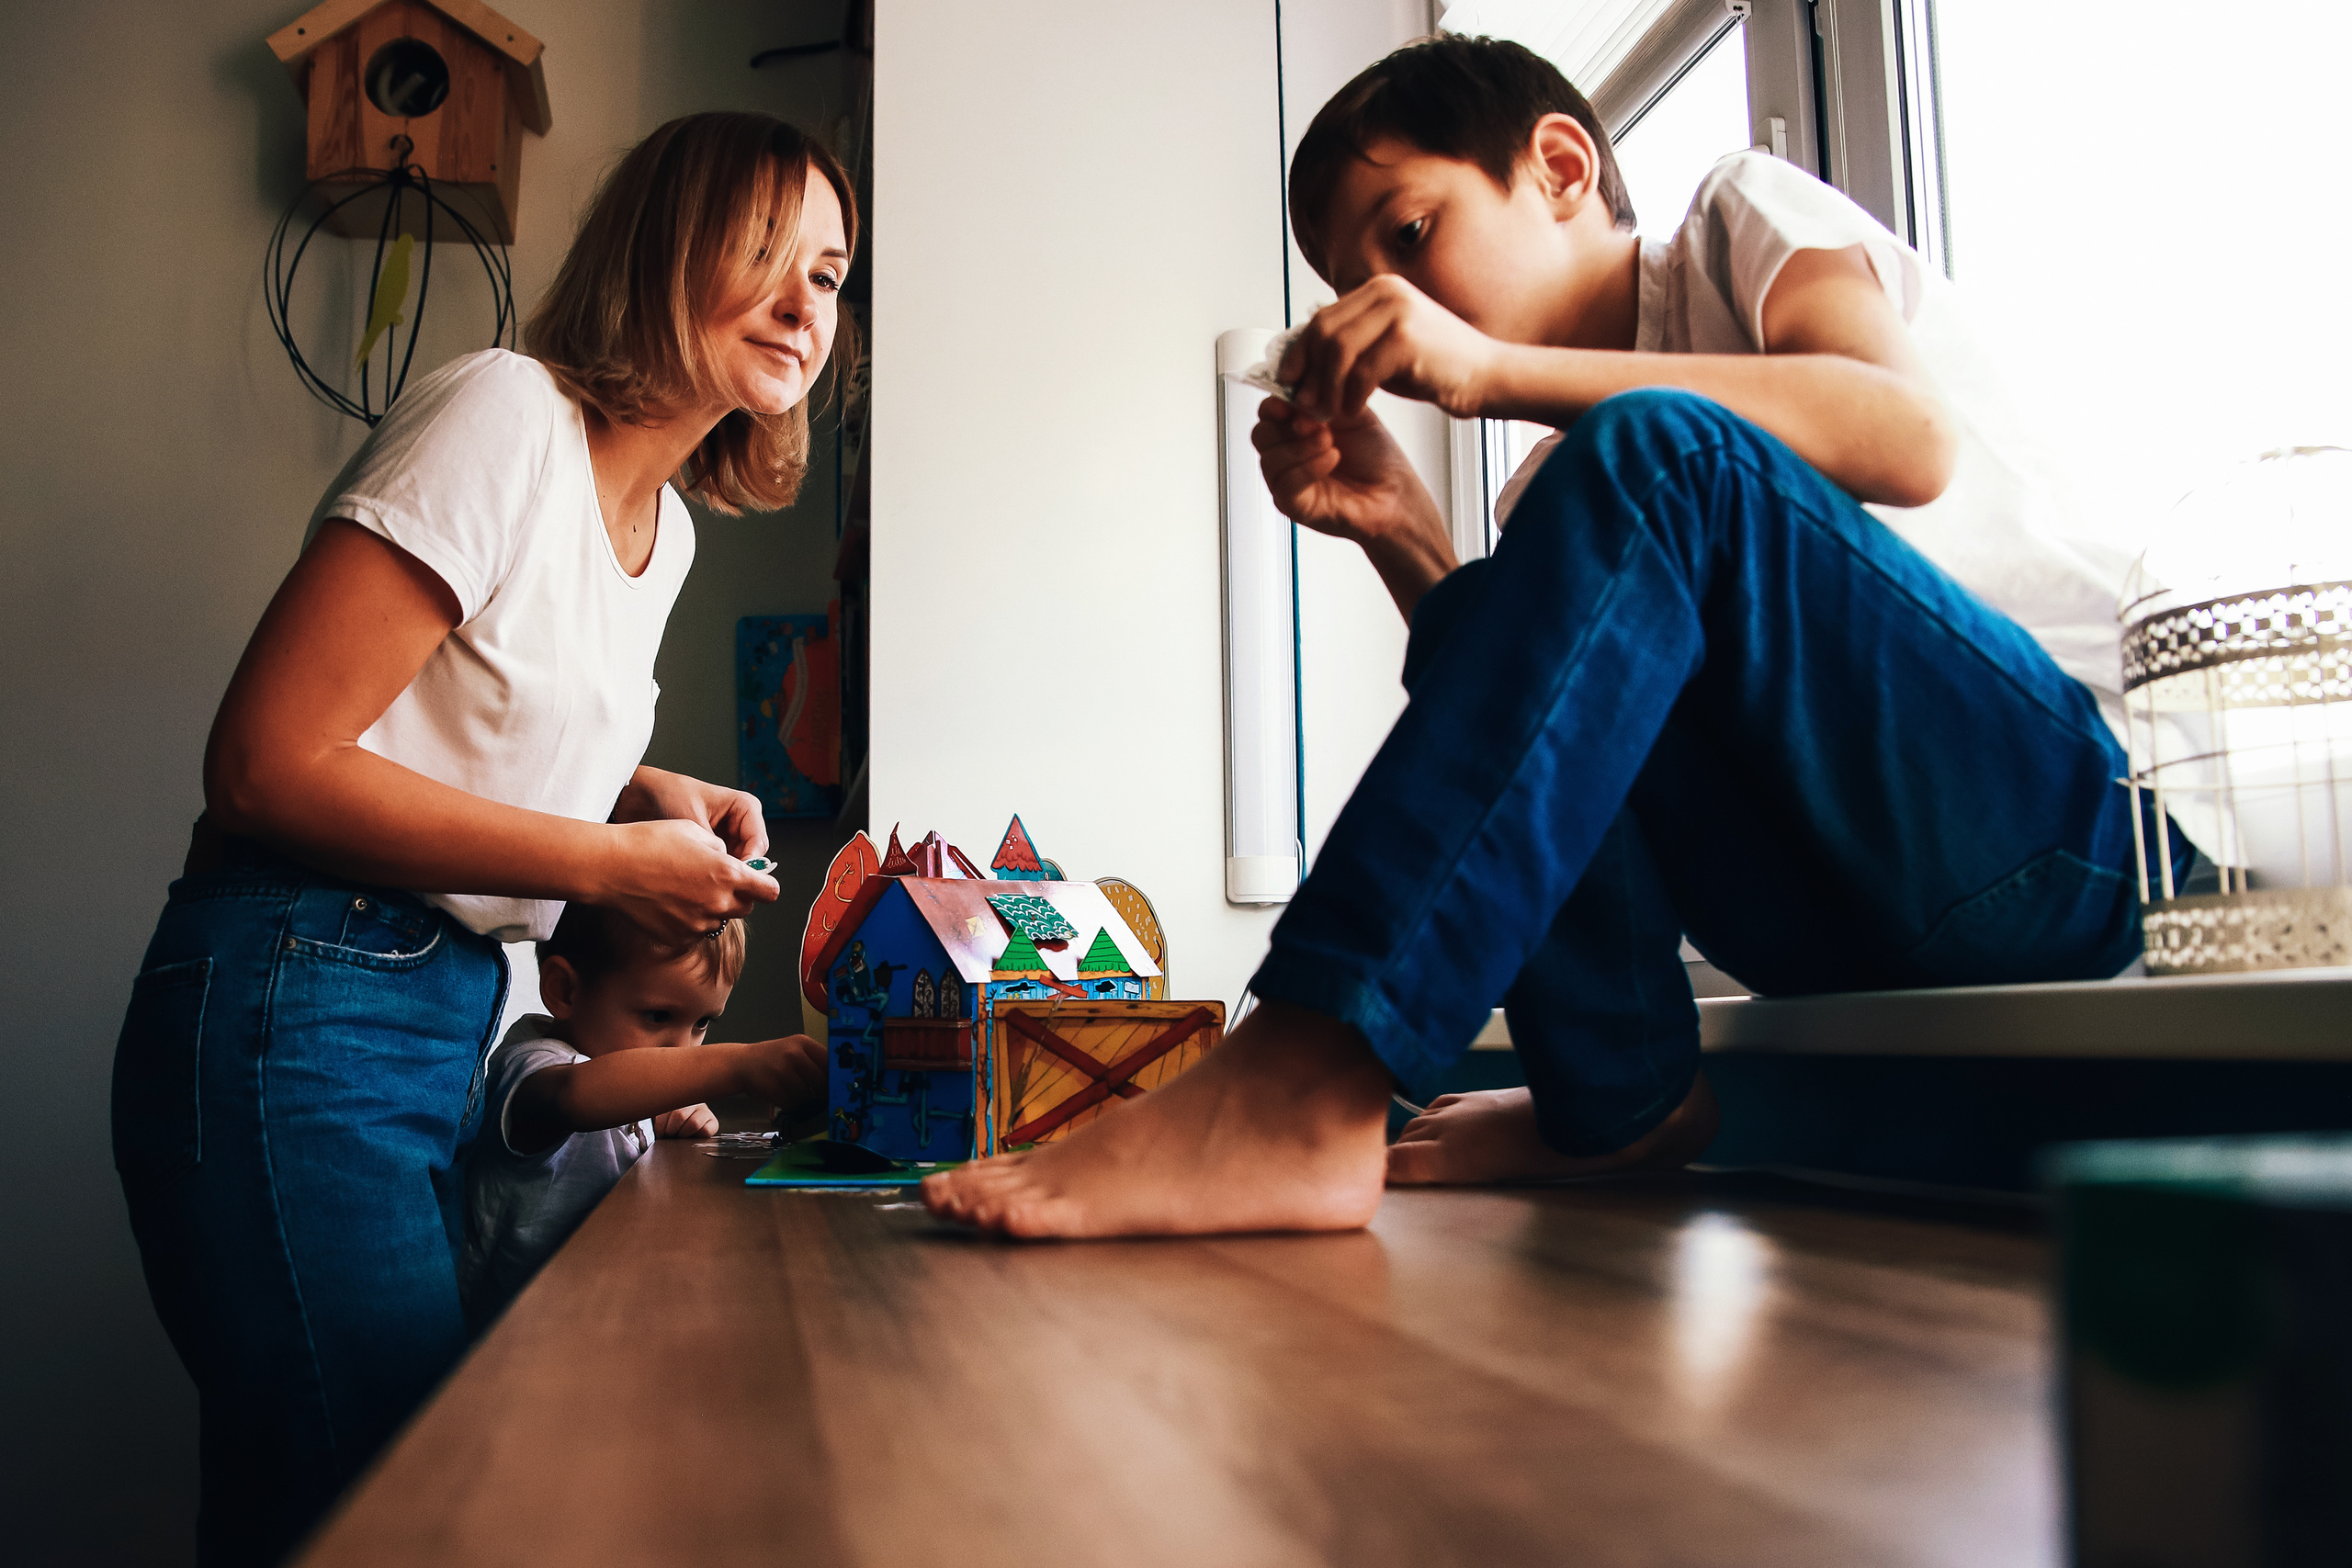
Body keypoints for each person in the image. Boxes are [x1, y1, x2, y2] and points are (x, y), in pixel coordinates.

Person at [922, 36, 2187, 1238]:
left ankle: (1308, 1074)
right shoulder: (1563, 490)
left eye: (1411, 234)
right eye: (1360, 279)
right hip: (1841, 915)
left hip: (2074, 836)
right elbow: (1549, 729)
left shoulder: (1735, 225)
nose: (1390, 295)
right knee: (1514, 581)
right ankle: (1623, 1095)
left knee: (1655, 456)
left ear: (1563, 168)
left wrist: (1485, 369)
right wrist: (1399, 530)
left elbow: (1906, 438)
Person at [110, 112, 854, 1564]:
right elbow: (266, 759)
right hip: (298, 988)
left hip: (438, 1008)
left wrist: (644, 783)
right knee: (370, 1501)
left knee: (369, 1498)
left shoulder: (668, 529)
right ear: (664, 249)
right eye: (762, 252)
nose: (801, 306)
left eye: (829, 275)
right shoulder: (508, 410)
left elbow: (471, 684)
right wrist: (606, 861)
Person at [459, 908, 825, 1330]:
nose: (682, 1051)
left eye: (702, 1023)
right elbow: (575, 1095)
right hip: (513, 1339)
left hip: (601, 1305)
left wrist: (671, 1111)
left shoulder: (615, 1062)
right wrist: (737, 1065)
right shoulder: (533, 1065)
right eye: (657, 1017)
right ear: (565, 991)